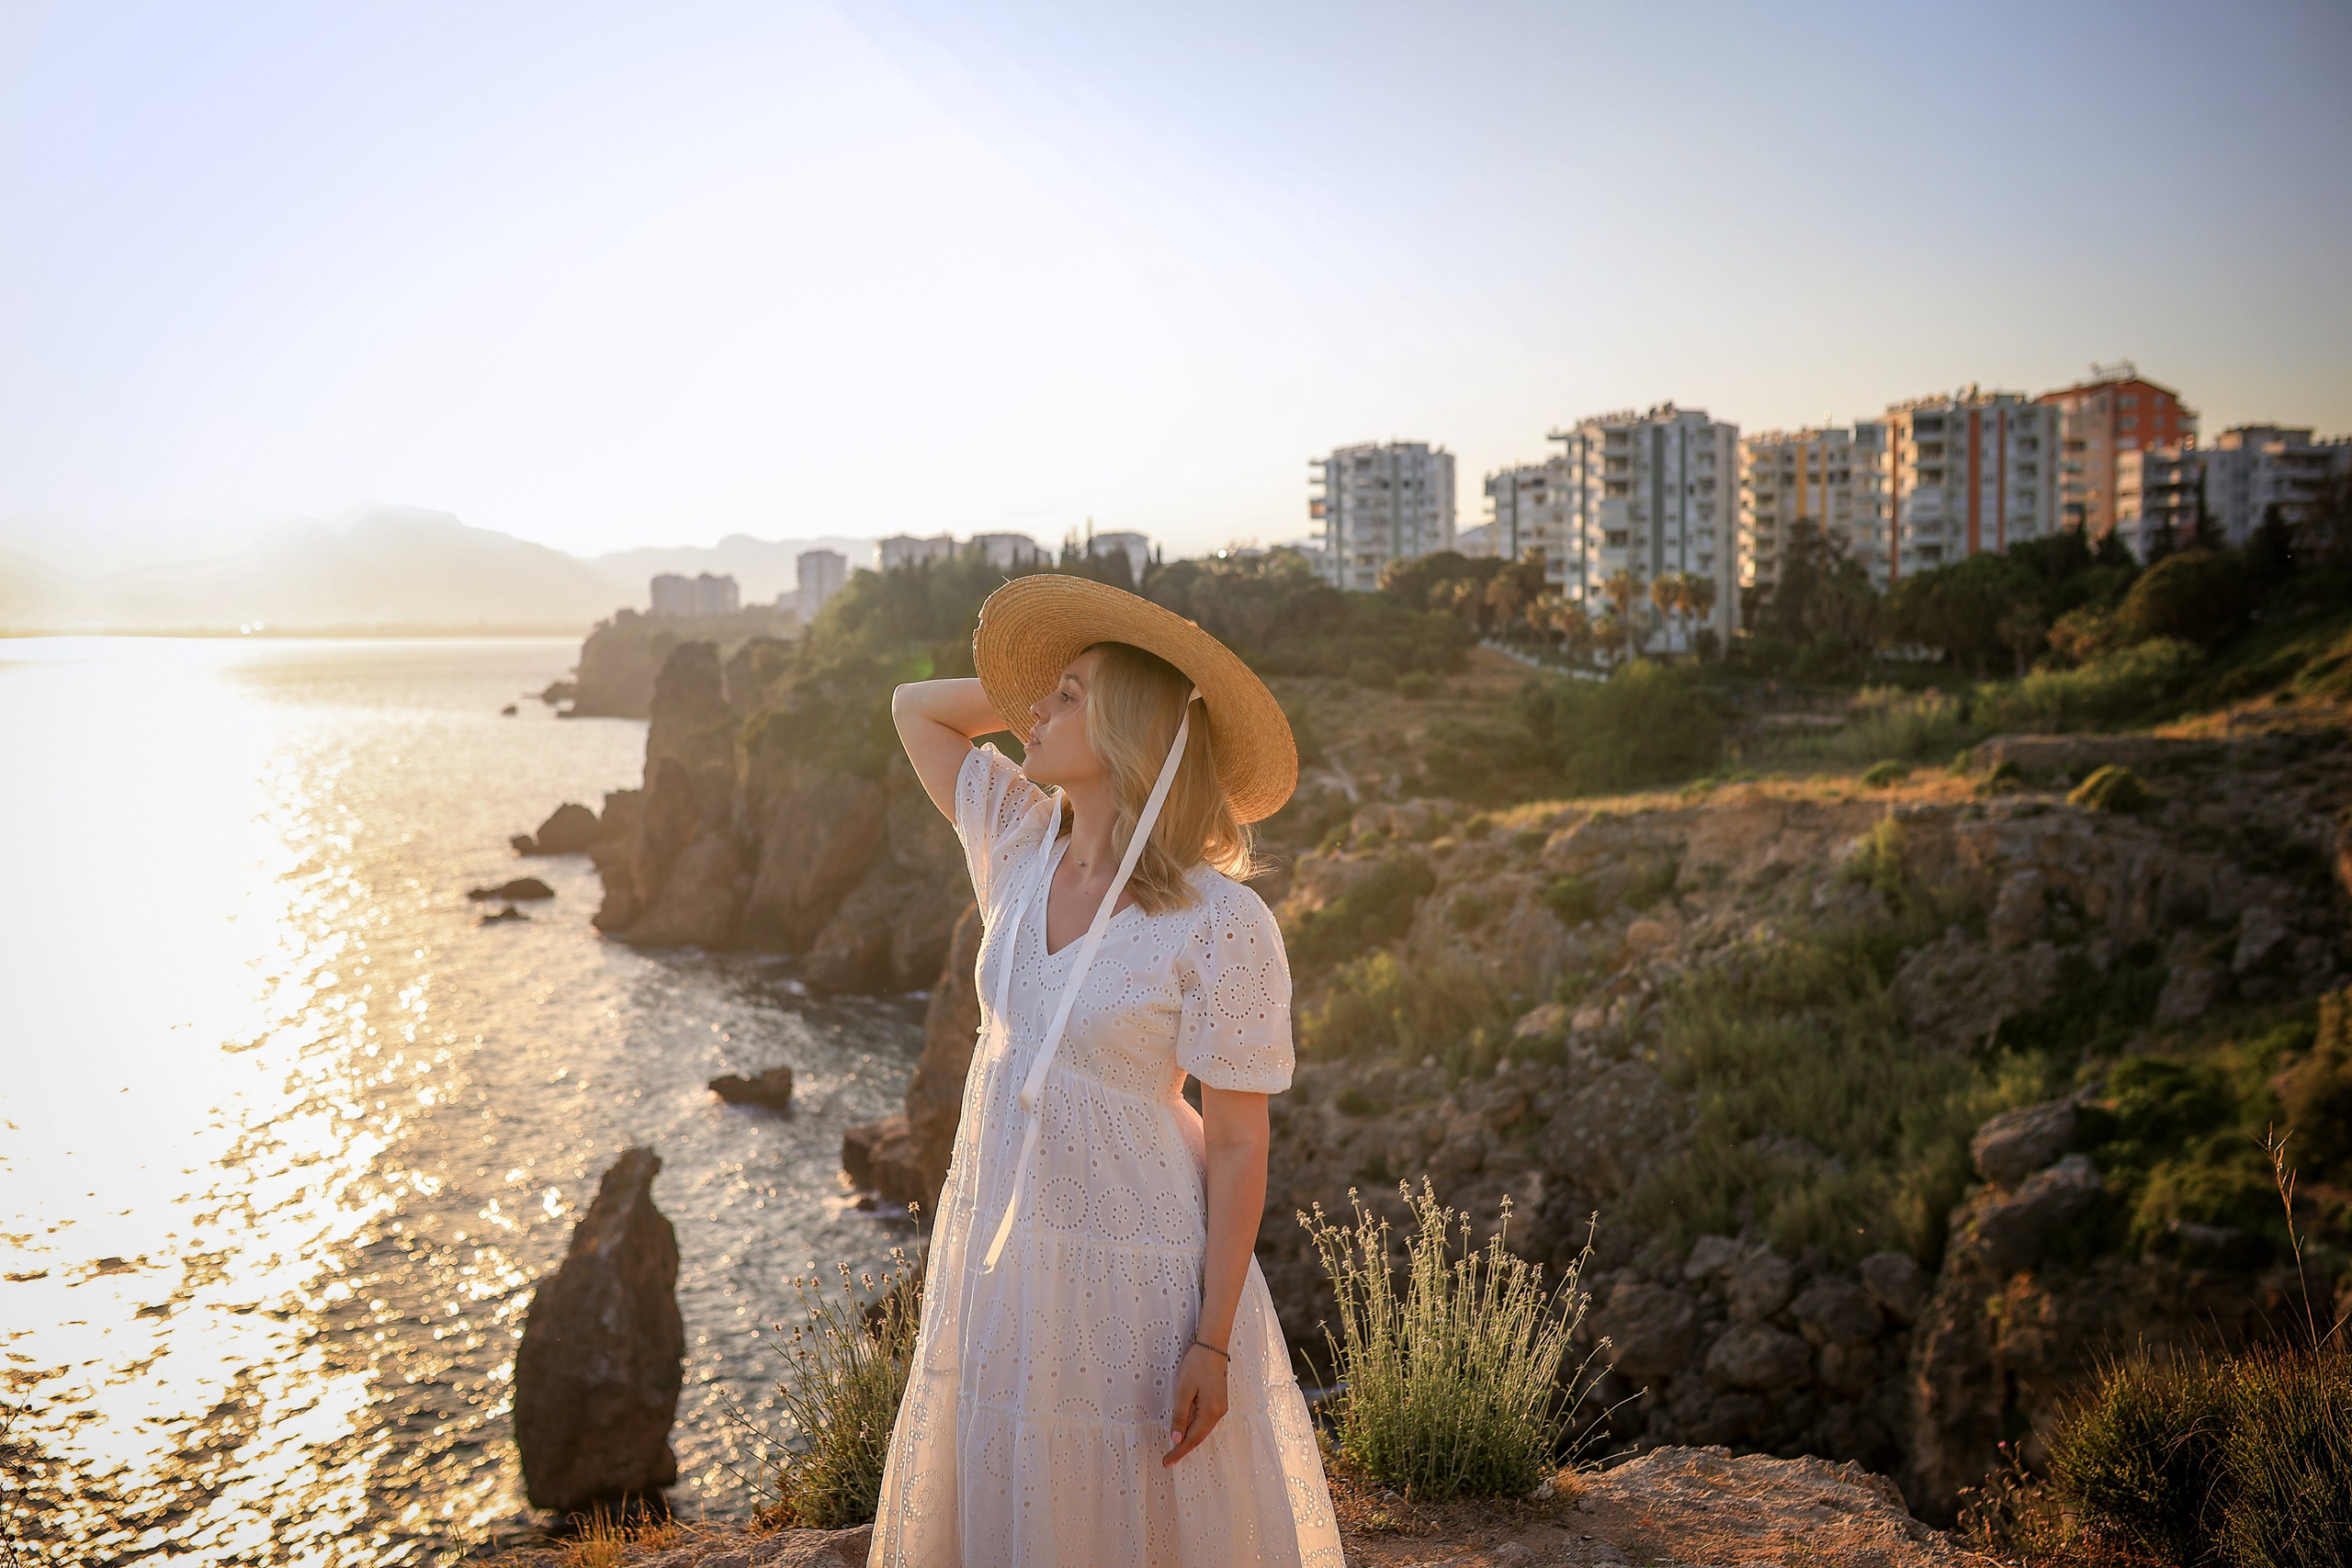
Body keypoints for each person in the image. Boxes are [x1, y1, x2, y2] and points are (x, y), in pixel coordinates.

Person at [869, 574, 1341, 1567]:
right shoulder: (1019, 844)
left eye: (1070, 695)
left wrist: (1212, 1341)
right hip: (1006, 1245)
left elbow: (1241, 1137)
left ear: (1132, 731)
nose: (1036, 708)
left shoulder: (1220, 921)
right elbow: (917, 708)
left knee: (1131, 1504)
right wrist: (1045, 692)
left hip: (1135, 1260)